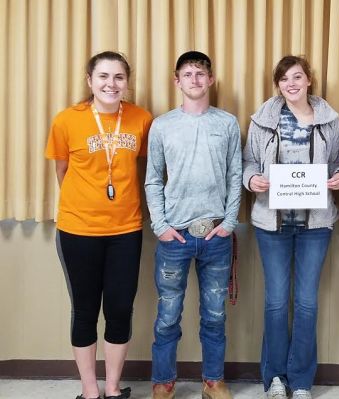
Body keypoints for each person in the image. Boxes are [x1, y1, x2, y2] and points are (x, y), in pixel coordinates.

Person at [45, 51, 153, 399]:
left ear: (127, 82)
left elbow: (146, 169)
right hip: (78, 231)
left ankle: (113, 387)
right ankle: (90, 391)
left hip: (126, 230)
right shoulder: (66, 120)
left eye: (119, 77)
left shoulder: (141, 119)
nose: (111, 84)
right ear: (90, 81)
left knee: (120, 309)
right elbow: (63, 171)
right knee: (85, 310)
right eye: (103, 76)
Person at [242, 55, 339, 399]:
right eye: (285, 78)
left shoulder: (329, 120)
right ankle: (275, 378)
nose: (292, 84)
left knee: (306, 303)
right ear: (278, 85)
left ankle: (301, 381)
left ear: (309, 80)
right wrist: (252, 179)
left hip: (315, 224)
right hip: (271, 225)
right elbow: (247, 163)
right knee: (275, 302)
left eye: (298, 77)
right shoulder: (263, 120)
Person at [145, 51, 242, 399]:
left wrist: (229, 222)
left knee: (214, 316)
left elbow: (235, 175)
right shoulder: (163, 125)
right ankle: (164, 381)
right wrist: (160, 225)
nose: (195, 80)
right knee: (168, 316)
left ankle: (213, 381)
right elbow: (153, 180)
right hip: (175, 237)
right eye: (187, 74)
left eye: (201, 73)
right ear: (177, 81)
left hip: (215, 234)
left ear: (211, 79)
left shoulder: (227, 123)